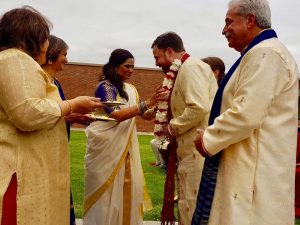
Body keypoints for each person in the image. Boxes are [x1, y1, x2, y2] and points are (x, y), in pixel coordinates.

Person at [192, 0, 299, 225]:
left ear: (250, 20)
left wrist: (207, 140)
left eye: (229, 22)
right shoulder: (258, 54)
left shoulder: (268, 54)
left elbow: (246, 113)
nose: (223, 30)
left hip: (255, 181)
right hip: (245, 172)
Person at [0, 7, 103, 225]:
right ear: (33, 36)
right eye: (45, 37)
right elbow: (27, 112)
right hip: (21, 174)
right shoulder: (15, 59)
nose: (48, 45)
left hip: (29, 169)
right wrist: (71, 104)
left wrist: (69, 111)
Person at [151, 32, 218, 225]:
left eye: (157, 57)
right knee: (187, 205)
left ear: (170, 52)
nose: (156, 63)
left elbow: (197, 107)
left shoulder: (191, 68)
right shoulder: (186, 69)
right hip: (188, 151)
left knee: (192, 206)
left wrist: (171, 128)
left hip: (195, 152)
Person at [83, 49, 156, 225]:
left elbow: (143, 114)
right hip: (105, 151)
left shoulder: (131, 89)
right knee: (105, 195)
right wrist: (148, 102)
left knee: (127, 189)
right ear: (115, 67)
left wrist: (161, 107)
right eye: (127, 66)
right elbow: (116, 114)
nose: (131, 70)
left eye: (133, 67)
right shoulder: (105, 87)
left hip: (126, 150)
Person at [42, 35, 95, 225]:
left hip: (59, 150)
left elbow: (58, 113)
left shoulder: (56, 84)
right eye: (64, 54)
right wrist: (72, 108)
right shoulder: (41, 81)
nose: (67, 59)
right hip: (43, 152)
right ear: (52, 55)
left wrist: (75, 117)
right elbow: (41, 115)